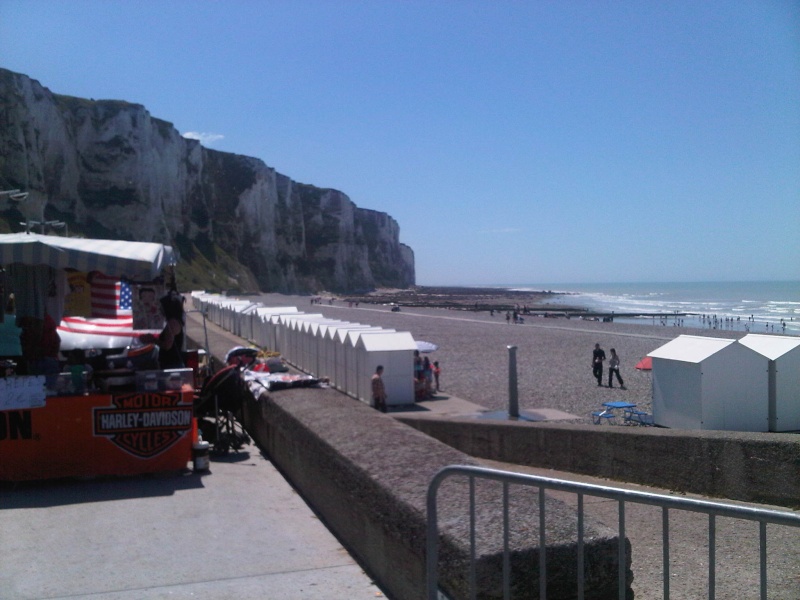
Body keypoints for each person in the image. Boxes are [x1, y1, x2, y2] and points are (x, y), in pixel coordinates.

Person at [157, 290, 185, 369]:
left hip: (172, 364)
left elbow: (167, 345)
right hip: (171, 364)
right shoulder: (175, 321)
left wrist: (153, 340)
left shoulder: (172, 323)